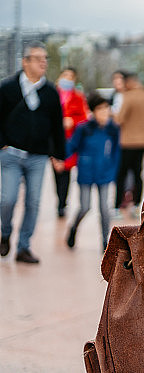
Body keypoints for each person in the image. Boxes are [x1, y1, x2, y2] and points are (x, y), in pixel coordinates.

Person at [0, 42, 66, 264]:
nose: (43, 62)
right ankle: (6, 233)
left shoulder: (50, 92)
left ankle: (23, 247)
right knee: (7, 199)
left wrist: (59, 155)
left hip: (37, 157)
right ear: (25, 61)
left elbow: (57, 125)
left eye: (45, 58)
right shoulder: (7, 88)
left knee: (33, 202)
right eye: (37, 58)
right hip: (11, 155)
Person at [65, 92, 120, 251]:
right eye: (100, 109)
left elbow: (116, 152)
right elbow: (71, 146)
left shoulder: (112, 129)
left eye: (106, 109)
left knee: (104, 208)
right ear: (93, 112)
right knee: (85, 207)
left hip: (104, 173)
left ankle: (105, 240)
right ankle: (73, 229)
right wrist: (59, 157)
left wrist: (113, 171)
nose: (104, 113)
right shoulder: (84, 128)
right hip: (86, 173)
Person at [113, 71, 144, 217]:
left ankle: (118, 206)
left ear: (129, 82)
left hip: (127, 142)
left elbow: (119, 119)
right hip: (143, 142)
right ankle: (137, 206)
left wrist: (111, 114)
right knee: (138, 174)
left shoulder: (128, 97)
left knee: (122, 174)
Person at [53, 67, 89, 218]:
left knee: (65, 172)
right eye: (65, 75)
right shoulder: (53, 94)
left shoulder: (78, 97)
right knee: (56, 171)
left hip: (70, 141)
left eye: (71, 77)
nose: (67, 79)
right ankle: (59, 200)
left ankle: (62, 203)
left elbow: (84, 118)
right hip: (54, 139)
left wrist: (72, 121)